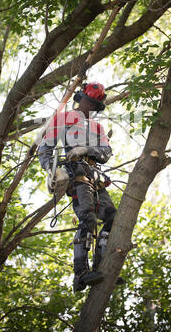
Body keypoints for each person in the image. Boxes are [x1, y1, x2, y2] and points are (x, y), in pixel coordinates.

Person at [38, 82, 118, 292]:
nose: (88, 106)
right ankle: (81, 275)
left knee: (112, 218)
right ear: (80, 98)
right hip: (75, 173)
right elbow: (45, 149)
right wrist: (51, 169)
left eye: (93, 104)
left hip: (96, 176)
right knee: (87, 217)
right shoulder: (62, 119)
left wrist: (87, 148)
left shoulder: (97, 128)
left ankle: (102, 269)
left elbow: (106, 153)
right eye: (87, 101)